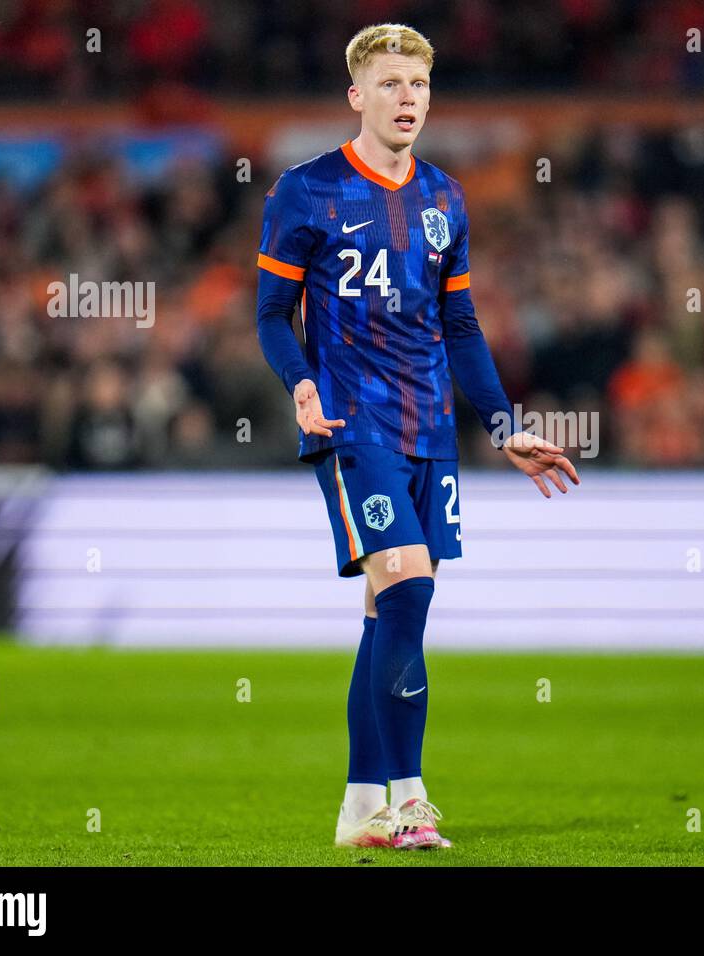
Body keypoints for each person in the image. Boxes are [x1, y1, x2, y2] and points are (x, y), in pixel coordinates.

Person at [255, 23, 579, 850]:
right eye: (391, 84)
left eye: (419, 86)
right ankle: (408, 797)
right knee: (407, 587)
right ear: (356, 94)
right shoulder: (307, 190)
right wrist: (298, 384)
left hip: (428, 425)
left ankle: (360, 806)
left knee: (389, 611)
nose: (408, 100)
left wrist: (503, 424)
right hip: (350, 422)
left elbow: (460, 324)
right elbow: (270, 314)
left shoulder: (444, 198)